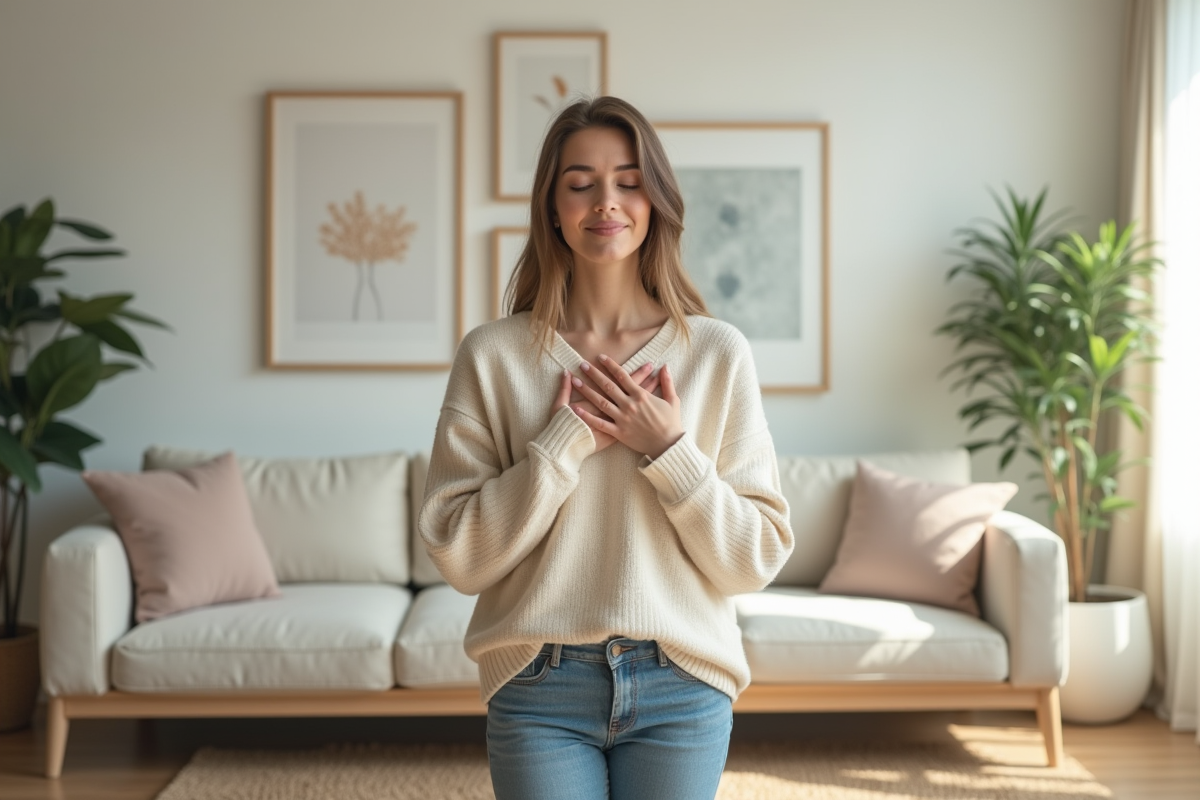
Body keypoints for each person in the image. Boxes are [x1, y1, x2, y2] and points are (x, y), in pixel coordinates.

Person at [417, 96, 794, 800]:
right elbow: (459, 554)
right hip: (537, 683)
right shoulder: (494, 356)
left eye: (628, 181)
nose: (606, 202)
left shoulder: (716, 354)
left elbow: (757, 556)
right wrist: (561, 446)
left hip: (682, 681)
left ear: (655, 200)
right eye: (580, 183)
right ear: (551, 207)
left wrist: (670, 451)